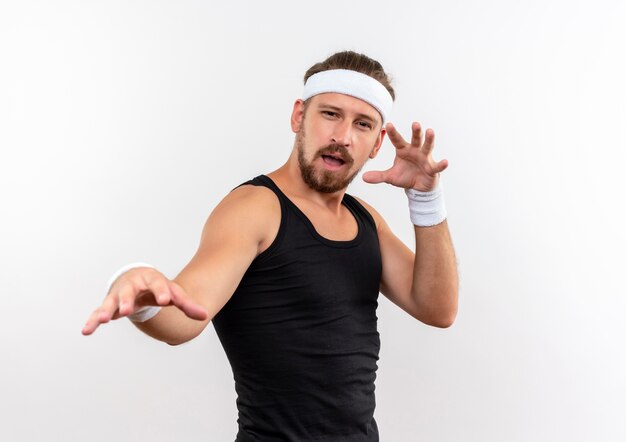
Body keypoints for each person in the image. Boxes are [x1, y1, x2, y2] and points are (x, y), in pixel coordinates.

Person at [82, 50, 458, 441]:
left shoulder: (363, 218)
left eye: (362, 124)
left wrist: (427, 199)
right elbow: (184, 317)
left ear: (377, 142)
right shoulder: (255, 208)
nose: (342, 137)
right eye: (330, 114)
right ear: (299, 117)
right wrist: (140, 292)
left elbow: (438, 308)